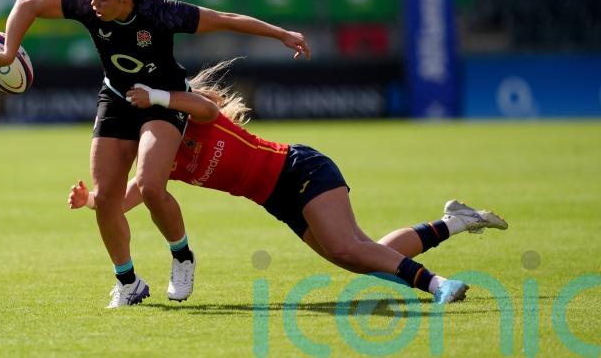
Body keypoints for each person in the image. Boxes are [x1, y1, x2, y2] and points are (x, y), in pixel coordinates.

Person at [0, 0, 311, 308]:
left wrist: (282, 34)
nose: (91, 4)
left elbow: (225, 20)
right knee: (105, 200)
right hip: (117, 98)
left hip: (163, 102)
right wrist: (9, 51)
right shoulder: (90, 7)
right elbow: (27, 5)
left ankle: (182, 256)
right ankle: (128, 282)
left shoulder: (161, 13)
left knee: (150, 186)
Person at [68, 60, 508, 304]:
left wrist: (160, 95)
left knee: (346, 248)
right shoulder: (162, 158)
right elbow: (134, 195)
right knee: (363, 255)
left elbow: (198, 104)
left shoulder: (200, 117)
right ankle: (456, 221)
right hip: (277, 200)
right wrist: (95, 200)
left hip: (299, 169)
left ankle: (437, 285)